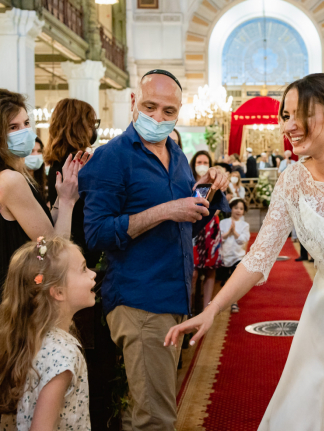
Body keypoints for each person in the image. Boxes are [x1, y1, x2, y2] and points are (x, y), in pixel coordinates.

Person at [165, 73, 324, 431]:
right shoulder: (292, 180)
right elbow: (259, 255)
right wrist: (213, 309)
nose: (290, 126)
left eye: (302, 114)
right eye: (286, 115)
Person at [79, 69, 228, 431]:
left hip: (174, 294)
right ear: (133, 102)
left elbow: (184, 227)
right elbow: (95, 233)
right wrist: (165, 211)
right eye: (150, 107)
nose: (158, 118)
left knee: (144, 410)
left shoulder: (176, 155)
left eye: (168, 111)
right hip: (139, 298)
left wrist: (210, 192)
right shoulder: (112, 156)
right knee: (157, 420)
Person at [0, 236, 96, 430]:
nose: (93, 274)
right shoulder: (63, 355)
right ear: (58, 292)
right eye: (84, 269)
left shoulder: (34, 339)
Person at [0, 89, 84, 295]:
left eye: (26, 123)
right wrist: (67, 200)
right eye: (13, 127)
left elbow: (42, 229)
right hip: (15, 295)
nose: (24, 132)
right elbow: (54, 251)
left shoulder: (14, 174)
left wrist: (61, 197)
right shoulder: (10, 180)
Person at [44, 98, 102, 268]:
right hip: (81, 248)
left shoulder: (56, 163)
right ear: (79, 126)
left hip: (70, 240)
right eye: (92, 123)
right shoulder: (79, 163)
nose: (94, 128)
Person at [190, 150, 224, 311]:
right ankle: (189, 309)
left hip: (210, 226)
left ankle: (206, 308)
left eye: (205, 163)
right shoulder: (188, 181)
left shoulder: (215, 182)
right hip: (193, 228)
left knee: (210, 270)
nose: (202, 166)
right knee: (193, 272)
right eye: (199, 163)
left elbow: (219, 203)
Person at [217, 197, 250, 313]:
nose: (238, 211)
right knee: (225, 281)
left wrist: (235, 232)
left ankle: (234, 302)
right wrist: (227, 233)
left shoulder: (244, 225)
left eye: (241, 208)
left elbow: (244, 240)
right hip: (225, 256)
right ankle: (222, 302)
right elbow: (219, 238)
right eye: (236, 208)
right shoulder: (223, 222)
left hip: (238, 257)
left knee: (235, 281)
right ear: (231, 208)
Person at [25, 137, 47, 205]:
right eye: (31, 151)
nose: (36, 155)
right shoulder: (17, 180)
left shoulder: (46, 180)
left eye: (39, 151)